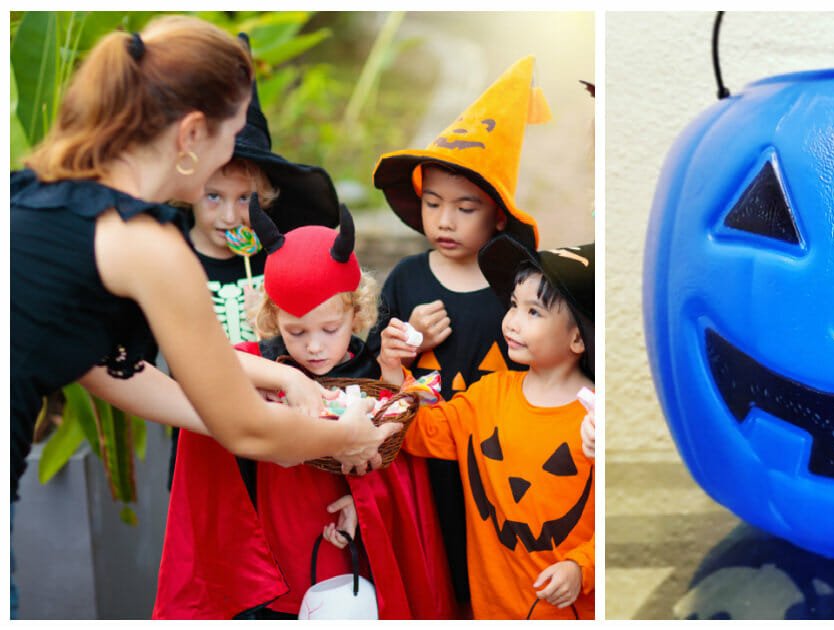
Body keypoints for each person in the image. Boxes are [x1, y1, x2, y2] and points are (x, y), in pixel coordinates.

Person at [10, 12, 395, 532]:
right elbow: (247, 431)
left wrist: (278, 402)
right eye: (232, 135)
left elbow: (108, 368)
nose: (230, 153)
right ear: (192, 133)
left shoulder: (40, 195)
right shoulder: (149, 245)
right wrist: (346, 436)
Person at [154, 201, 454, 619]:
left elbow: (390, 449)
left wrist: (366, 506)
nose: (314, 346)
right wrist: (289, 380)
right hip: (276, 548)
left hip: (344, 540)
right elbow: (204, 360)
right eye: (296, 331)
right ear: (274, 319)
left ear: (356, 313)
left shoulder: (366, 369)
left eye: (330, 329)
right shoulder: (268, 364)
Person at [366, 55, 552, 612]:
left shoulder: (519, 286)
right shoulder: (406, 278)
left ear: (497, 215)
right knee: (432, 568)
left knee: (491, 573)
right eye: (432, 204)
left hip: (499, 467)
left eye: (465, 207)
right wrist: (403, 345)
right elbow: (381, 366)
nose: (444, 221)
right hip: (424, 458)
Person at [382, 235, 596, 619]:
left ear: (578, 337)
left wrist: (581, 567)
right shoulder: (488, 395)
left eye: (534, 313)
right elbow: (418, 434)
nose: (512, 321)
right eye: (514, 305)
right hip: (492, 609)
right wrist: (393, 368)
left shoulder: (597, 418)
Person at [164, 34, 342, 489]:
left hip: (281, 422)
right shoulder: (171, 261)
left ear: (266, 199)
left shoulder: (276, 259)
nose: (229, 215)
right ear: (189, 193)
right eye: (213, 196)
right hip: (202, 431)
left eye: (245, 199)